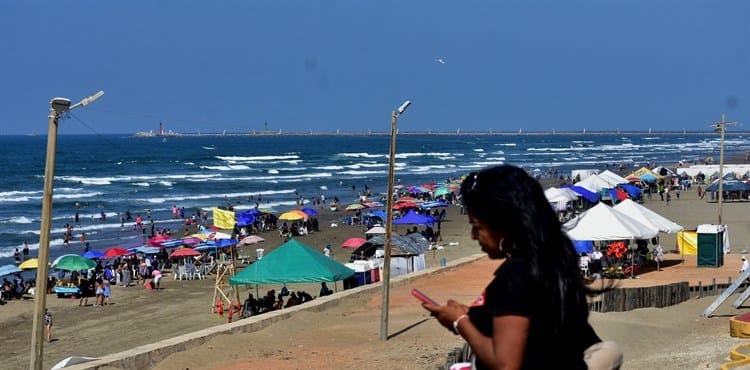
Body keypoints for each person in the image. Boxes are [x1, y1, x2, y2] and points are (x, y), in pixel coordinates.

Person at [422, 165, 622, 370]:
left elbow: (506, 364)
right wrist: (474, 316)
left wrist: (460, 322)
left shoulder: (516, 275)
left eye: (477, 226)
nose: (474, 236)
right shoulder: (553, 260)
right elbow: (530, 323)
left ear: (503, 225)